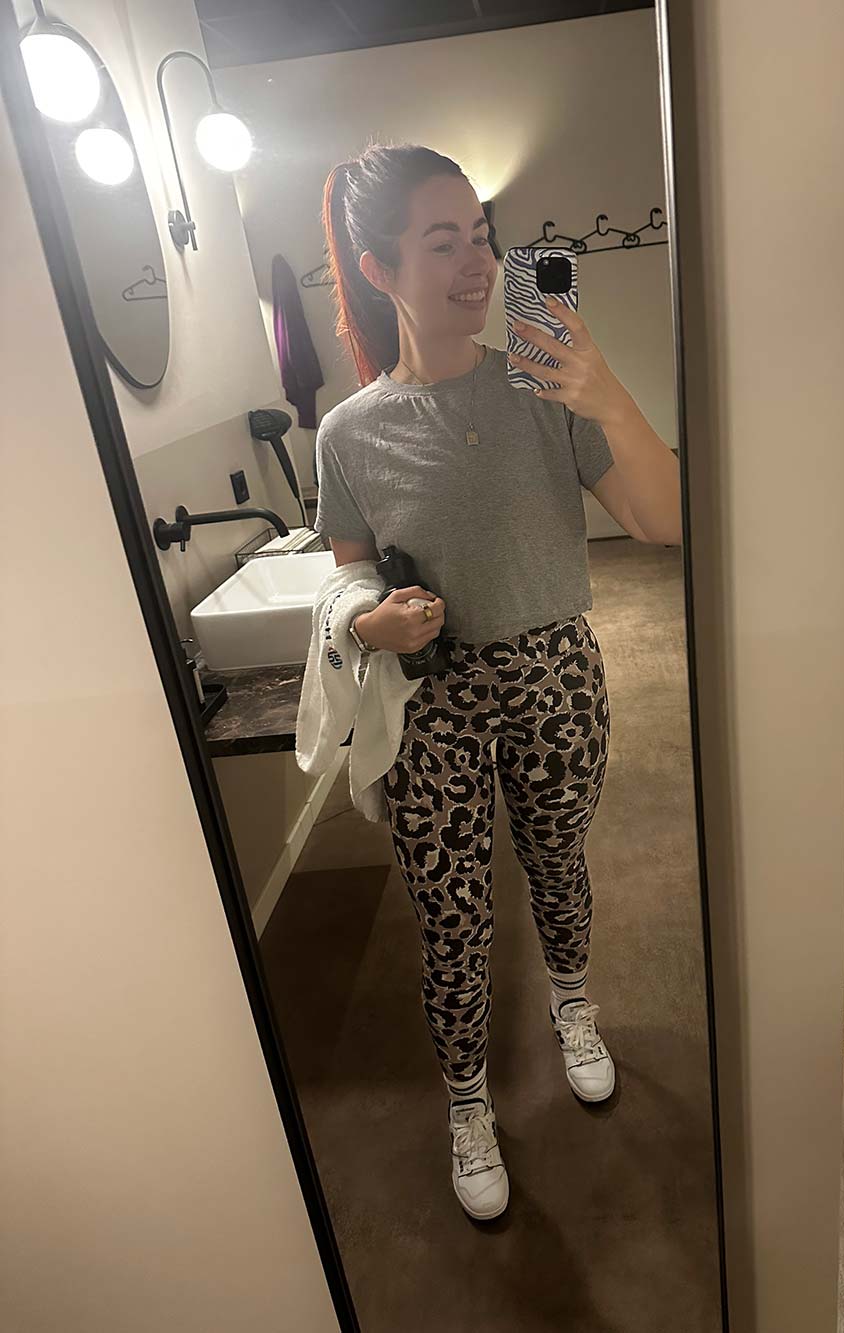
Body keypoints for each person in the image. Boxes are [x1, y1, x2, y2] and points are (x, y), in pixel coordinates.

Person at [314, 142, 681, 1221]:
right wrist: (375, 620)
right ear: (379, 269)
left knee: (559, 860)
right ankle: (468, 1100)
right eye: (444, 243)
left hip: (555, 670)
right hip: (432, 698)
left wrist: (604, 390)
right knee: (451, 909)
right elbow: (348, 583)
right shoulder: (348, 434)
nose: (477, 263)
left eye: (481, 237)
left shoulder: (543, 391)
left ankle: (572, 1003)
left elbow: (663, 521)